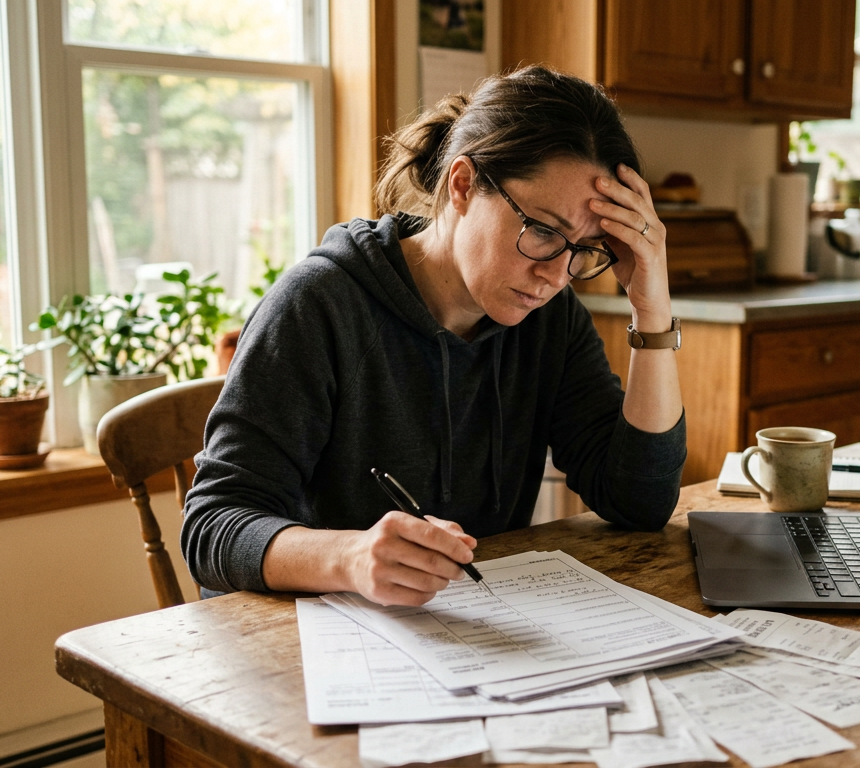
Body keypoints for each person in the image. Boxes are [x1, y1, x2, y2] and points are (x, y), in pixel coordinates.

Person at [181, 65, 685, 606]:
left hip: (474, 627)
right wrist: (350, 557)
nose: (557, 276)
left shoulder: (550, 318)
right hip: (311, 633)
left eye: (585, 249)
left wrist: (651, 308)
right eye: (542, 231)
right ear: (462, 184)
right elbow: (213, 526)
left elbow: (639, 502)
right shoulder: (319, 303)